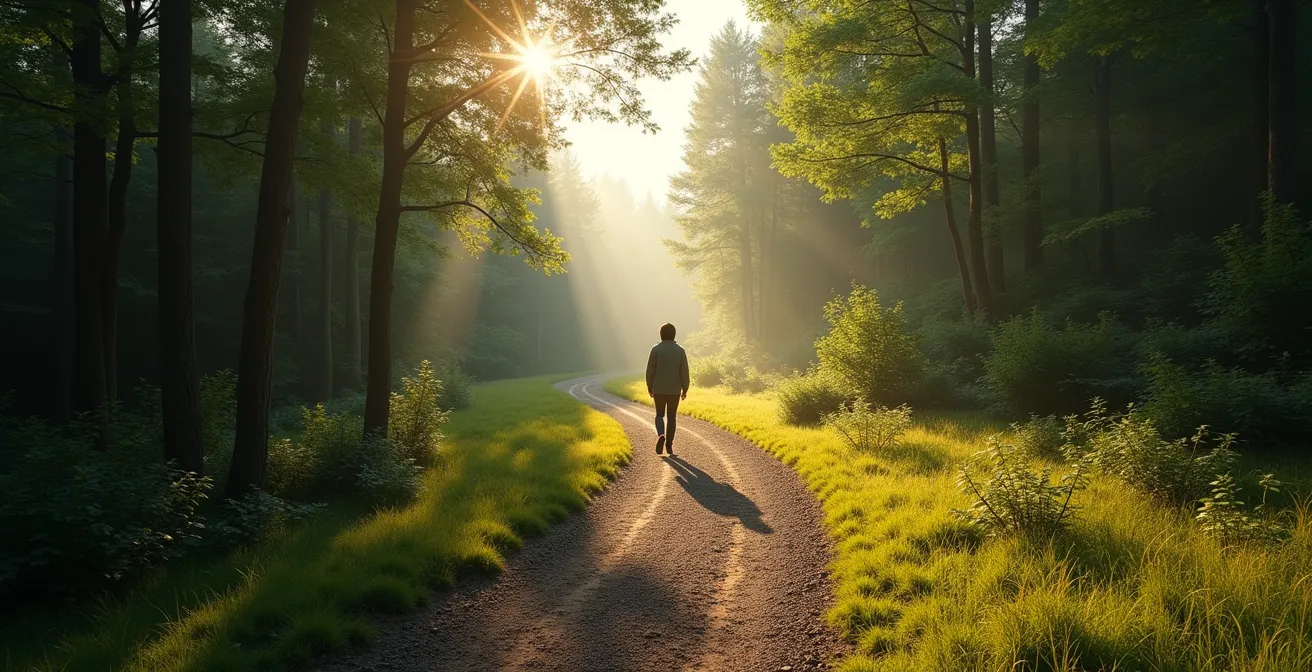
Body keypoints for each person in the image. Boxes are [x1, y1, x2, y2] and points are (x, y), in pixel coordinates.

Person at [645, 322, 689, 455]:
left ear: (661, 334)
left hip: (658, 388)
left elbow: (650, 371)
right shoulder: (680, 351)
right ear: (674, 334)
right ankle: (669, 445)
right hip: (674, 389)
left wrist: (650, 385)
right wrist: (685, 388)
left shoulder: (656, 350)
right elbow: (684, 372)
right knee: (671, 417)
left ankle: (661, 435)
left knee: (659, 415)